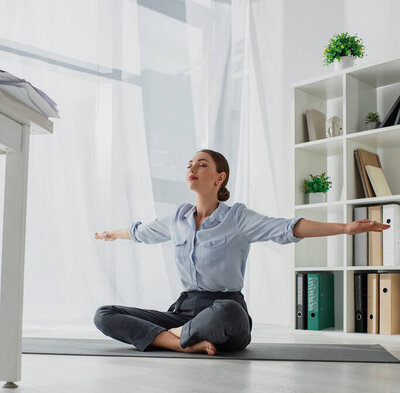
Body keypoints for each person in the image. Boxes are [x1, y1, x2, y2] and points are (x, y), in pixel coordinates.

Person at [93, 148, 390, 355]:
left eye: (201, 164)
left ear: (220, 177)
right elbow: (140, 232)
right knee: (105, 314)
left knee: (230, 311)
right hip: (182, 312)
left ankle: (168, 338)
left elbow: (288, 227)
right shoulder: (177, 219)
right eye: (189, 165)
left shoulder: (238, 217)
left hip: (224, 312)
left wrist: (346, 228)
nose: (192, 169)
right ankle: (180, 341)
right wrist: (111, 234)